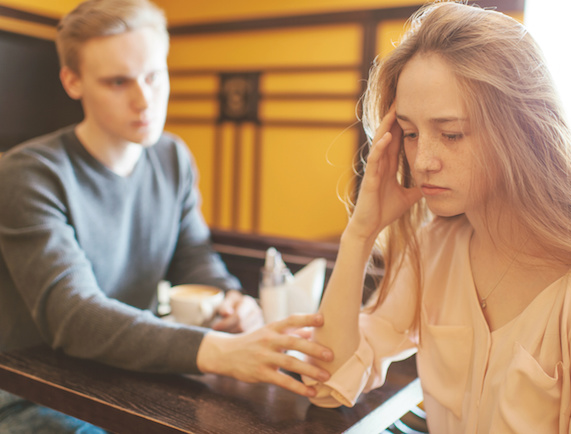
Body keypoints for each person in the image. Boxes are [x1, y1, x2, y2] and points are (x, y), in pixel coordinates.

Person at [306, 2, 571, 433]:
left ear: (524, 131)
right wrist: (360, 233)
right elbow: (326, 384)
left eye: (451, 134)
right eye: (411, 134)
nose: (423, 160)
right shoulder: (435, 249)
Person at [0, 0, 332, 432]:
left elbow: (193, 255)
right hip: (29, 390)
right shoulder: (29, 174)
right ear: (72, 81)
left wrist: (229, 298)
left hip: (125, 374)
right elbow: (74, 316)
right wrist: (218, 350)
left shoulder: (171, 156)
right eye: (118, 82)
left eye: (155, 76)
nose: (144, 100)